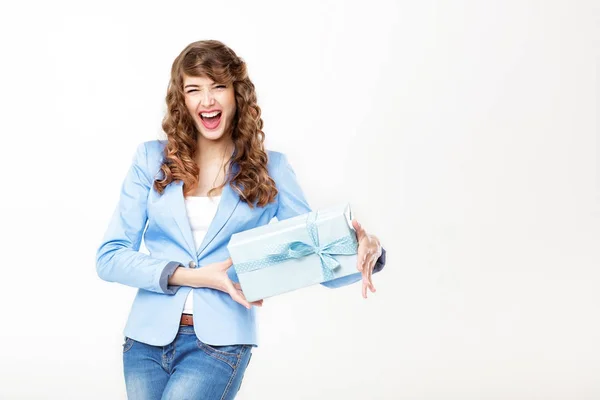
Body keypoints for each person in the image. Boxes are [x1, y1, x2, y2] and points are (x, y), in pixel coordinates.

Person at [96, 39, 387, 400]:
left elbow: (315, 254)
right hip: (145, 341)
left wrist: (365, 248)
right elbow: (109, 256)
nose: (208, 101)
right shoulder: (151, 160)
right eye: (194, 89)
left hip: (219, 345)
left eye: (218, 86)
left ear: (237, 93)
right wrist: (193, 276)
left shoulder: (271, 168)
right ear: (181, 100)